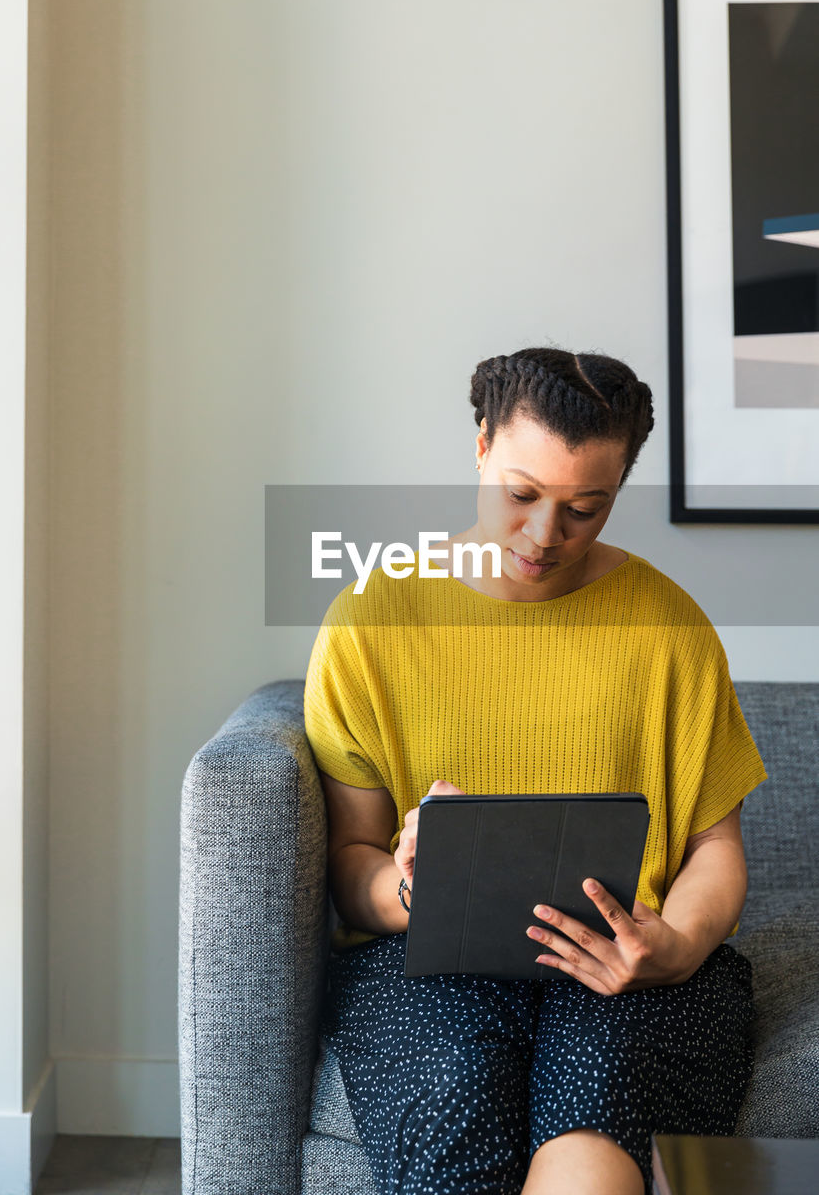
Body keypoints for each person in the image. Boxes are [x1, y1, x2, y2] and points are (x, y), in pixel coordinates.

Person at [303, 347, 768, 1195]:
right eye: (520, 495)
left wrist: (673, 947)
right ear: (481, 445)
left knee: (594, 1142)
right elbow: (350, 866)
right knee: (455, 1105)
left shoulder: (666, 626)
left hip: (621, 965)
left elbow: (715, 848)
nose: (542, 537)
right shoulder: (373, 617)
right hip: (428, 967)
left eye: (583, 509)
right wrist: (410, 889)